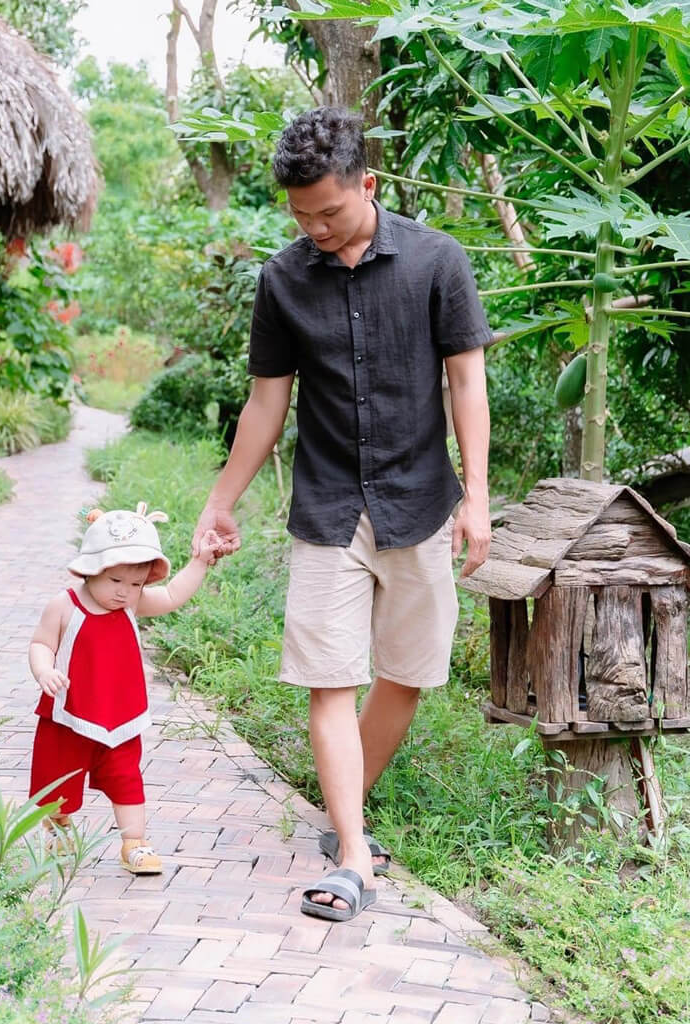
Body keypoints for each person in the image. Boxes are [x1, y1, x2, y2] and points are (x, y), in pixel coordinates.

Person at [192, 107, 492, 921]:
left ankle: (341, 813)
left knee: (408, 673)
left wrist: (479, 498)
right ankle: (354, 856)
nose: (316, 228)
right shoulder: (284, 280)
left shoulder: (438, 261)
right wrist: (219, 503)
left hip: (422, 501)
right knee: (330, 677)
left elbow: (468, 384)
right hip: (327, 507)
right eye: (301, 216)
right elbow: (265, 406)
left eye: (331, 211)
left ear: (369, 184)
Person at [29, 502, 221, 874]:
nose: (124, 593)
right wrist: (44, 670)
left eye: (135, 584)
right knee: (59, 782)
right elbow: (41, 643)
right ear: (91, 570)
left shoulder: (132, 606)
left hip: (120, 717)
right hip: (68, 713)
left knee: (127, 779)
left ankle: (134, 842)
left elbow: (172, 596)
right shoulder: (64, 606)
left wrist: (200, 563)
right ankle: (59, 827)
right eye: (115, 582)